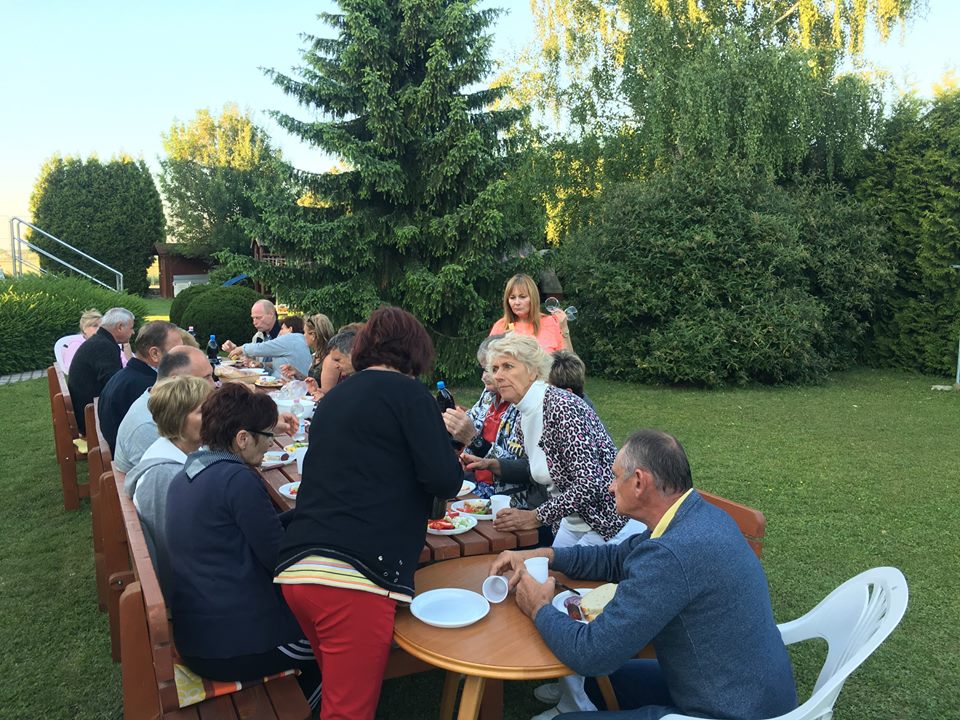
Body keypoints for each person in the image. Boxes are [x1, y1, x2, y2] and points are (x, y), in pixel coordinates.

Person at [490, 430, 798, 720]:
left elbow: (591, 653)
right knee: (600, 683)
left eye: (615, 476)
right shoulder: (695, 516)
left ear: (639, 482)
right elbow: (616, 558)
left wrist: (538, 607)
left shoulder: (670, 554)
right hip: (747, 688)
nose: (610, 486)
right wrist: (546, 555)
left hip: (731, 710)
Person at [275, 307, 463, 720]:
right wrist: (455, 443)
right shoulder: (411, 395)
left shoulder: (336, 397)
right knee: (348, 711)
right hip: (352, 578)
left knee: (340, 694)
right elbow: (445, 480)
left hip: (299, 569)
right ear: (416, 350)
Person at [484, 334, 640, 717]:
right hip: (576, 521)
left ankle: (576, 706)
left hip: (609, 523)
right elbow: (547, 472)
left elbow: (591, 481)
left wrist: (536, 516)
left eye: (508, 366)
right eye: (494, 367)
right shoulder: (525, 410)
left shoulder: (561, 407)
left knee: (572, 604)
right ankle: (567, 679)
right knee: (552, 592)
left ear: (533, 370)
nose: (498, 375)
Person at [164, 383, 322, 711]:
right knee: (334, 638)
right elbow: (281, 561)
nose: (270, 443)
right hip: (231, 645)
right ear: (242, 438)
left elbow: (253, 531)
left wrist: (307, 514)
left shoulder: (190, 472)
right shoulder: (238, 480)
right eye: (267, 436)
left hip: (197, 632)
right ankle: (302, 709)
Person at [123, 376, 212, 595]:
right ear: (178, 419)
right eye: (203, 412)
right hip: (190, 588)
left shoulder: (174, 449)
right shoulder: (164, 476)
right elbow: (172, 548)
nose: (214, 416)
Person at [442, 335, 544, 508]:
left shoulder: (532, 404)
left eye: (505, 367)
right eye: (491, 368)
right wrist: (451, 428)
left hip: (513, 501)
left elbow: (525, 468)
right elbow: (466, 429)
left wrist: (475, 440)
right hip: (477, 486)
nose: (486, 376)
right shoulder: (489, 395)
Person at [113, 346, 215, 472]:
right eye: (205, 378)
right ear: (176, 381)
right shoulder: (149, 424)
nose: (213, 384)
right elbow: (187, 473)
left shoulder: (163, 407)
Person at [97, 320, 182, 451]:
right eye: (178, 352)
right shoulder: (149, 387)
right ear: (155, 354)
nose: (184, 358)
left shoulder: (127, 375)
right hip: (137, 456)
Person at [67, 307, 135, 433]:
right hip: (91, 418)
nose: (133, 332)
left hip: (88, 409)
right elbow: (114, 386)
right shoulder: (104, 346)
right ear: (120, 327)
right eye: (131, 328)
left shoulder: (100, 341)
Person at [490, 273, 573, 353]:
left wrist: (564, 328)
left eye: (522, 297)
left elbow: (569, 360)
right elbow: (488, 359)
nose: (517, 302)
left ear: (533, 298)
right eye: (512, 298)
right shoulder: (501, 326)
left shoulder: (551, 323)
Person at [229, 314, 312, 376]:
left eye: (282, 329)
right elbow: (283, 363)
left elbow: (262, 348)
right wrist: (262, 364)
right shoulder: (298, 340)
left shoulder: (291, 339)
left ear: (290, 329)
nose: (279, 332)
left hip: (289, 388)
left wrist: (241, 348)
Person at [280, 313, 336, 389]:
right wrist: (297, 373)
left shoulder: (329, 359)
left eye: (305, 332)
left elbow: (326, 392)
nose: (303, 336)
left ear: (313, 335)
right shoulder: (317, 355)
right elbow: (313, 382)